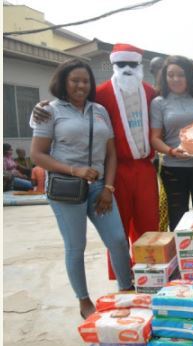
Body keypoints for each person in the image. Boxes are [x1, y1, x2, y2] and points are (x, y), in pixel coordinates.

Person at [35, 43, 161, 279]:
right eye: (120, 64)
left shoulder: (150, 93)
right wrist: (40, 106)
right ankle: (123, 280)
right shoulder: (101, 93)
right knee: (118, 229)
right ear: (113, 65)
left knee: (149, 224)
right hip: (115, 169)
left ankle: (152, 276)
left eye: (132, 64)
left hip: (143, 167)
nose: (126, 69)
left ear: (140, 65)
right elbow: (68, 103)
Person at [29, 59, 133, 319]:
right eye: (75, 80)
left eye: (85, 81)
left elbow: (111, 153)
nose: (81, 85)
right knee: (76, 246)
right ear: (63, 81)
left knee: (118, 240)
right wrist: (74, 170)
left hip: (99, 186)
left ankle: (126, 290)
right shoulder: (49, 111)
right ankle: (84, 300)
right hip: (67, 188)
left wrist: (108, 187)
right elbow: (37, 155)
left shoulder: (99, 110)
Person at [150, 55, 193, 230]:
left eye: (181, 75)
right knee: (178, 218)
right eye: (170, 75)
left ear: (189, 76)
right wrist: (171, 151)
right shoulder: (159, 103)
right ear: (164, 77)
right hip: (174, 168)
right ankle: (180, 256)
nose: (175, 79)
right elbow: (155, 139)